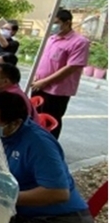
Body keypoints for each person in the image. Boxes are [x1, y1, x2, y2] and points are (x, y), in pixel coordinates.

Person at [0, 91, 94, 223]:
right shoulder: (5, 135)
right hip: (25, 213)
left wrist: (6, 197)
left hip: (61, 220)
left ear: (16, 123)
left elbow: (58, 193)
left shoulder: (38, 144)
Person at [32, 9, 90, 139]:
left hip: (56, 91)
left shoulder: (79, 42)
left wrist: (46, 81)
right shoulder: (51, 38)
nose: (52, 25)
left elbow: (71, 67)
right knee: (35, 117)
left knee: (51, 121)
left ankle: (49, 148)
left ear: (67, 22)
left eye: (56, 22)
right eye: (50, 22)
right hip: (38, 85)